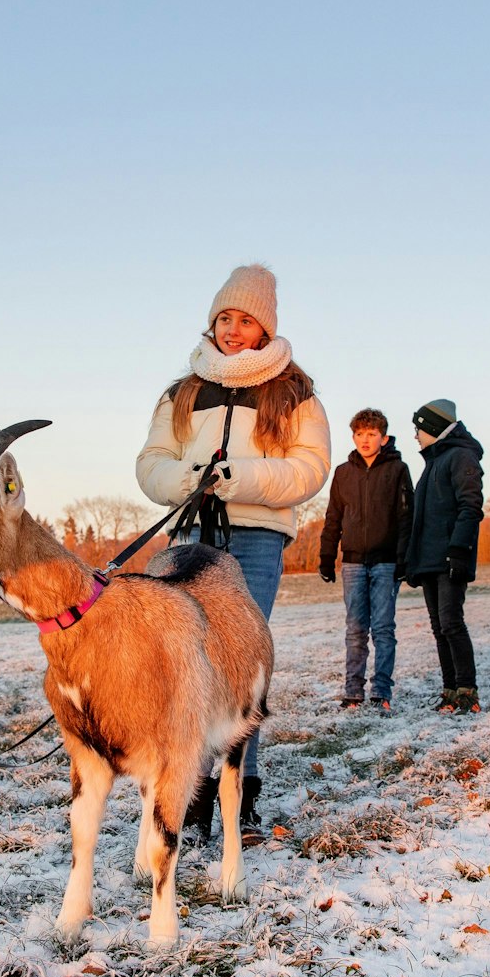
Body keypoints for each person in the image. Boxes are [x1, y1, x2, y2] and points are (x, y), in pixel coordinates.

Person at [136, 263, 331, 842]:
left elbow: (310, 468)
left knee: (241, 666)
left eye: (245, 319)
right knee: (184, 666)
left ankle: (239, 791)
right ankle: (189, 797)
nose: (232, 329)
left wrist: (238, 476)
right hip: (192, 534)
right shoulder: (183, 391)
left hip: (255, 536)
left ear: (265, 327)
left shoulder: (294, 392)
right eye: (225, 317)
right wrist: (192, 476)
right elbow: (150, 463)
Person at [318, 408, 413, 710]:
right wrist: (326, 556)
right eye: (360, 434)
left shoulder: (398, 470)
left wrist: (403, 559)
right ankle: (353, 692)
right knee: (355, 629)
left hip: (386, 562)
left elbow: (405, 517)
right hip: (353, 563)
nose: (365, 439)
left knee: (383, 629)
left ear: (383, 438)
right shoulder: (344, 473)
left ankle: (381, 691)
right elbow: (333, 517)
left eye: (371, 434)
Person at [403, 399, 484, 714]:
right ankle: (450, 691)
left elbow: (470, 507)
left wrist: (458, 550)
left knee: (452, 624)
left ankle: (467, 690)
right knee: (439, 627)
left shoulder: (461, 457)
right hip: (428, 560)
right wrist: (412, 562)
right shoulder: (432, 464)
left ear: (433, 428)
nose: (415, 436)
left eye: (419, 429)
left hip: (450, 558)